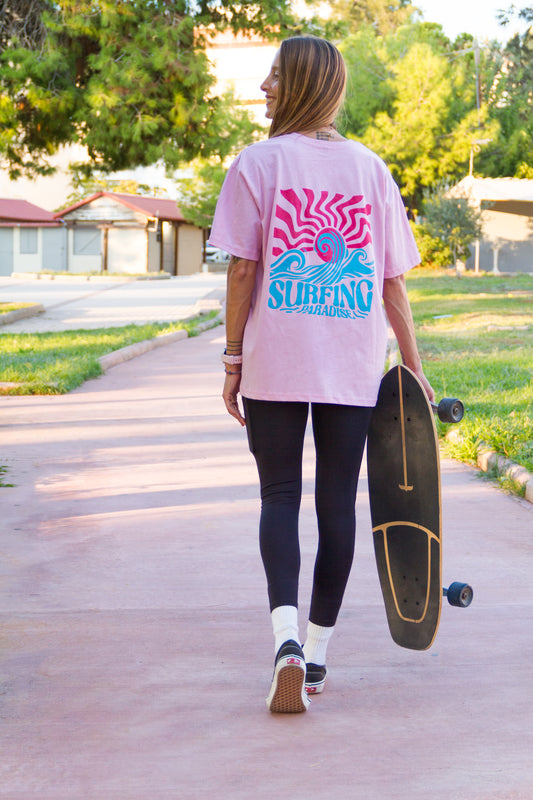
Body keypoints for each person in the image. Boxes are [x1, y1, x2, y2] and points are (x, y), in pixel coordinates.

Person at [209, 35, 434, 714]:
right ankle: (315, 658)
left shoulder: (256, 163)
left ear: (302, 84)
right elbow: (390, 281)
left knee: (279, 496)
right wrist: (413, 370)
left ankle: (284, 641)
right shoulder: (370, 168)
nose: (264, 90)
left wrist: (231, 358)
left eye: (273, 78)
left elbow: (244, 268)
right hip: (351, 363)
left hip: (275, 359)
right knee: (336, 505)